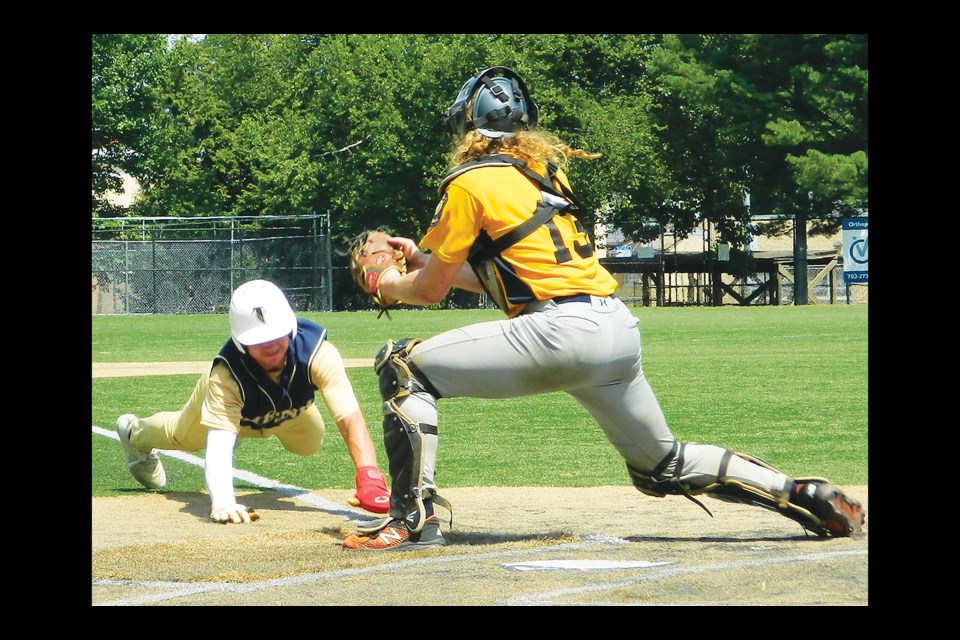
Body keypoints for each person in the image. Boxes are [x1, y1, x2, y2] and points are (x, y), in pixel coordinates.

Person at [341, 66, 865, 551]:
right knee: (663, 465)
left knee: (402, 364)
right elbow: (510, 278)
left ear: (469, 128)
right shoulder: (540, 172)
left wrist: (388, 283)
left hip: (560, 331)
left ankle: (411, 518)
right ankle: (802, 494)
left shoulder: (470, 181)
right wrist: (421, 262)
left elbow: (429, 292)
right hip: (611, 328)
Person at [116, 278, 391, 524]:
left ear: (291, 327)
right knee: (183, 436)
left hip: (286, 413)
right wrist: (223, 502)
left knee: (309, 443)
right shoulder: (225, 376)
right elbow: (219, 448)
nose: (271, 346)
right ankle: (134, 433)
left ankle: (260, 412)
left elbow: (349, 417)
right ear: (240, 343)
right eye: (259, 340)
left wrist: (369, 475)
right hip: (231, 408)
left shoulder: (319, 353)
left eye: (276, 335)